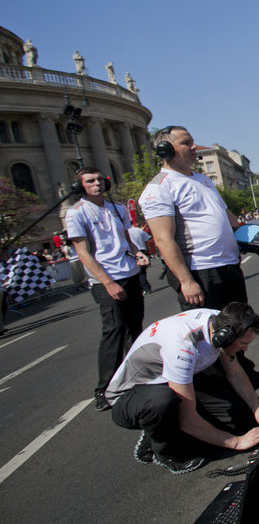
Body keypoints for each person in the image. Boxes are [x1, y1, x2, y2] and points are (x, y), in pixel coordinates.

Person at [139, 126, 259, 387]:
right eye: (186, 143)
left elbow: (228, 218)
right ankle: (221, 392)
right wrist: (185, 280)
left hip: (227, 266)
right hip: (200, 273)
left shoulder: (202, 180)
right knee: (211, 337)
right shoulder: (159, 188)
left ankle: (244, 376)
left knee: (239, 327)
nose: (193, 147)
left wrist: (256, 234)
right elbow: (163, 239)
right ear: (165, 150)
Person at [106, 302, 259, 474]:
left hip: (173, 379)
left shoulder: (220, 321)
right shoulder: (183, 347)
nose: (245, 348)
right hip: (131, 397)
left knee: (241, 419)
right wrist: (236, 442)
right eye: (243, 343)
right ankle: (162, 450)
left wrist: (258, 408)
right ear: (225, 336)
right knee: (164, 403)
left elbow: (235, 373)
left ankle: (176, 424)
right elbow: (188, 420)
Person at [65, 167, 150, 411]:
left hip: (130, 273)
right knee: (114, 331)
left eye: (101, 180)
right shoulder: (76, 213)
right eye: (90, 181)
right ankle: (104, 389)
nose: (97, 184)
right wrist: (108, 282)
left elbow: (127, 238)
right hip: (105, 279)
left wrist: (138, 253)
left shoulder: (118, 208)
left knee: (135, 328)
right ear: (81, 186)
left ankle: (136, 376)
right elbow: (83, 252)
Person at [127, 222, 153, 295]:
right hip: (142, 250)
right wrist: (148, 250)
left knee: (139, 271)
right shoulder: (138, 230)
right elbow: (146, 240)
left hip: (133, 252)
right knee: (142, 271)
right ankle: (145, 286)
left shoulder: (126, 232)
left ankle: (145, 287)